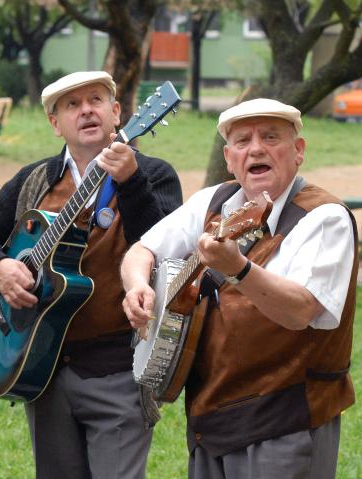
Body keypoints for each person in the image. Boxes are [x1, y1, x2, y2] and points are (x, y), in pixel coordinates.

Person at [120, 98, 357, 478]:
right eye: (243, 141)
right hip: (210, 422)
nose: (257, 148)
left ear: (298, 151)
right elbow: (142, 249)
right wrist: (136, 287)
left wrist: (240, 270)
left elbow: (301, 311)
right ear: (230, 159)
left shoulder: (324, 218)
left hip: (285, 423)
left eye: (270, 137)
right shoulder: (214, 201)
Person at [0, 71, 182, 478]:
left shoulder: (154, 175)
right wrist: (0, 269)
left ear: (117, 113)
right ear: (55, 123)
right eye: (72, 105)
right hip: (43, 369)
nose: (86, 110)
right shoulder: (36, 180)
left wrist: (130, 183)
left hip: (118, 370)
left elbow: (165, 255)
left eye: (96, 100)